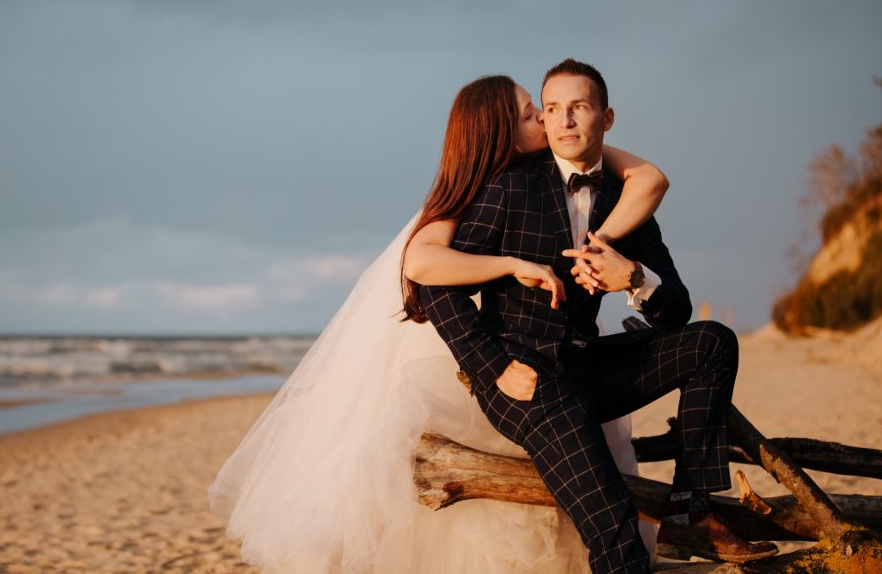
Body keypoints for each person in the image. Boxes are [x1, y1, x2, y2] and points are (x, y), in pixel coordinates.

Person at [208, 74, 667, 573]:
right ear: (501, 132)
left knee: (576, 474)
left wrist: (593, 184)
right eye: (529, 110)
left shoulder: (552, 169)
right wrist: (510, 266)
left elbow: (646, 177)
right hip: (460, 345)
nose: (545, 116)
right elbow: (422, 264)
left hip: (546, 349)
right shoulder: (469, 192)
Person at [419, 59, 779, 573]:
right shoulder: (510, 187)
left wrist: (633, 278)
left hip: (589, 365)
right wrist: (491, 366)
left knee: (712, 342)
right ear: (541, 119)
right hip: (530, 380)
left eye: (578, 108)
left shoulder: (623, 199)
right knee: (616, 527)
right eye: (551, 110)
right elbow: (435, 286)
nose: (564, 121)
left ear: (606, 119)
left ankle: (689, 510)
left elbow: (675, 308)